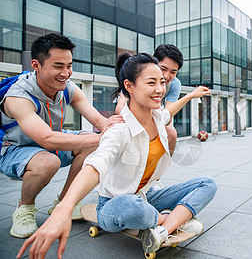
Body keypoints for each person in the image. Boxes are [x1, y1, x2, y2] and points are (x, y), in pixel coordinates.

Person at [17, 53, 217, 258]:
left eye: (162, 82)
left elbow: (170, 110)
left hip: (146, 196)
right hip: (115, 204)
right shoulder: (119, 129)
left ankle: (163, 228)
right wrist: (64, 208)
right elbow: (95, 166)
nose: (160, 89)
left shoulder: (158, 117)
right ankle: (172, 219)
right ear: (129, 86)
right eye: (151, 83)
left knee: (207, 184)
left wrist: (191, 95)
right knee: (129, 206)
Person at [0, 33, 123, 239]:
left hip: (52, 141)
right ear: (36, 65)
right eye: (58, 66)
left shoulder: (68, 88)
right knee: (49, 162)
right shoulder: (18, 96)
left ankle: (65, 203)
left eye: (69, 65)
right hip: (14, 148)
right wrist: (102, 138)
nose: (66, 73)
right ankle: (25, 209)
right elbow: (46, 139)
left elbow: (98, 121)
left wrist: (113, 128)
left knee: (93, 146)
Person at [115, 44, 183, 156]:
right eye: (163, 69)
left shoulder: (174, 84)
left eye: (173, 72)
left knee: (171, 133)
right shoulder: (137, 75)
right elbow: (119, 109)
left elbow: (169, 114)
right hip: (132, 115)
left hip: (157, 115)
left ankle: (161, 164)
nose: (166, 76)